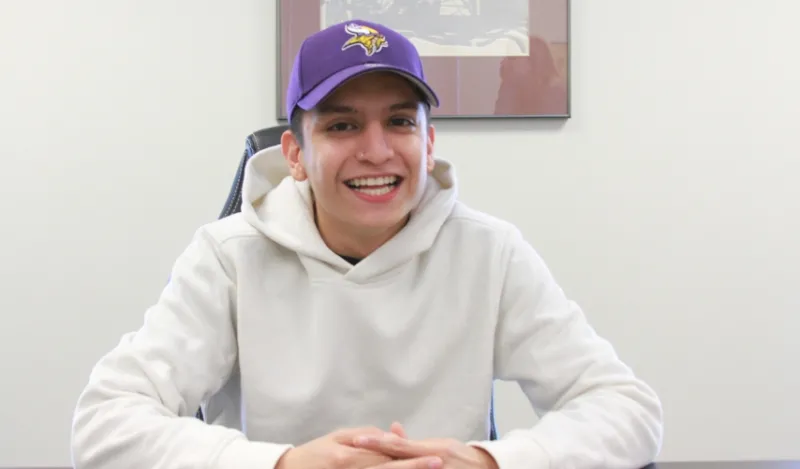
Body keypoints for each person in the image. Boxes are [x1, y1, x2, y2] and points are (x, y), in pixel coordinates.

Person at [71, 18, 663, 469]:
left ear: (429, 146)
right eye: (343, 125)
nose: (377, 151)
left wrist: (488, 461)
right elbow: (104, 423)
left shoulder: (491, 253)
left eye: (400, 122)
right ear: (296, 153)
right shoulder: (228, 256)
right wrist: (282, 463)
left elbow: (625, 408)